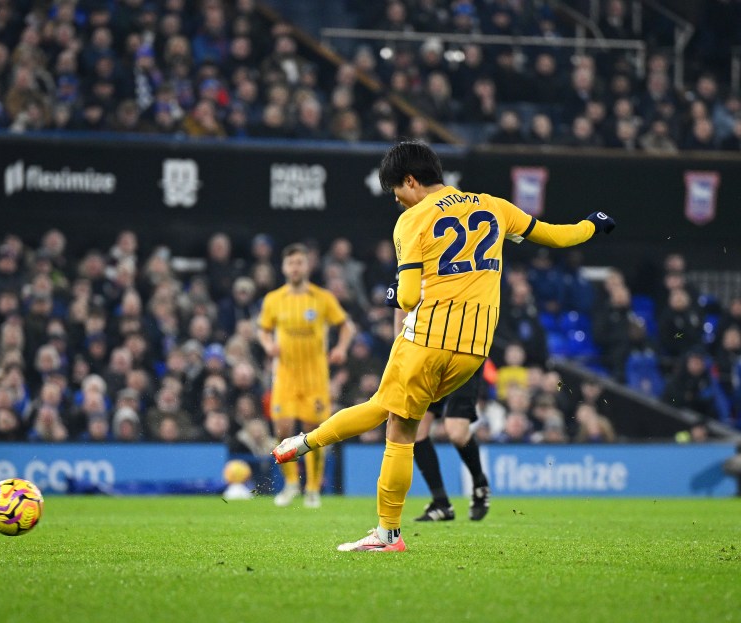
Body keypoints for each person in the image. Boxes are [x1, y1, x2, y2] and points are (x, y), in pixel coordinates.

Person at [273, 141, 615, 552]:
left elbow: (409, 296)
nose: (396, 201)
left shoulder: (412, 221)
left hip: (428, 340)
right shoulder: (494, 205)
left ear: (411, 180)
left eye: (395, 190)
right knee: (388, 410)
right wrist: (594, 224)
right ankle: (304, 445)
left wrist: (390, 294)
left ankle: (384, 529)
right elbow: (558, 237)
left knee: (397, 428)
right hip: (473, 350)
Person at [258, 243, 356, 509]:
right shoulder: (274, 299)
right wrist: (268, 345)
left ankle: (313, 489)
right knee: (283, 428)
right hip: (285, 376)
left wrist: (341, 348)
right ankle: (291, 484)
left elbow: (347, 326)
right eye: (291, 263)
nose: (295, 267)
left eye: (300, 262)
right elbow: (263, 330)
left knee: (314, 433)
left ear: (307, 266)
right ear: (283, 267)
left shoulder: (322, 298)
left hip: (315, 377)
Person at [411, 363, 491, 522]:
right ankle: (441, 503)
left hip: (464, 353)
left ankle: (480, 484)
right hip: (432, 356)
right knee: (416, 431)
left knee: (457, 432)